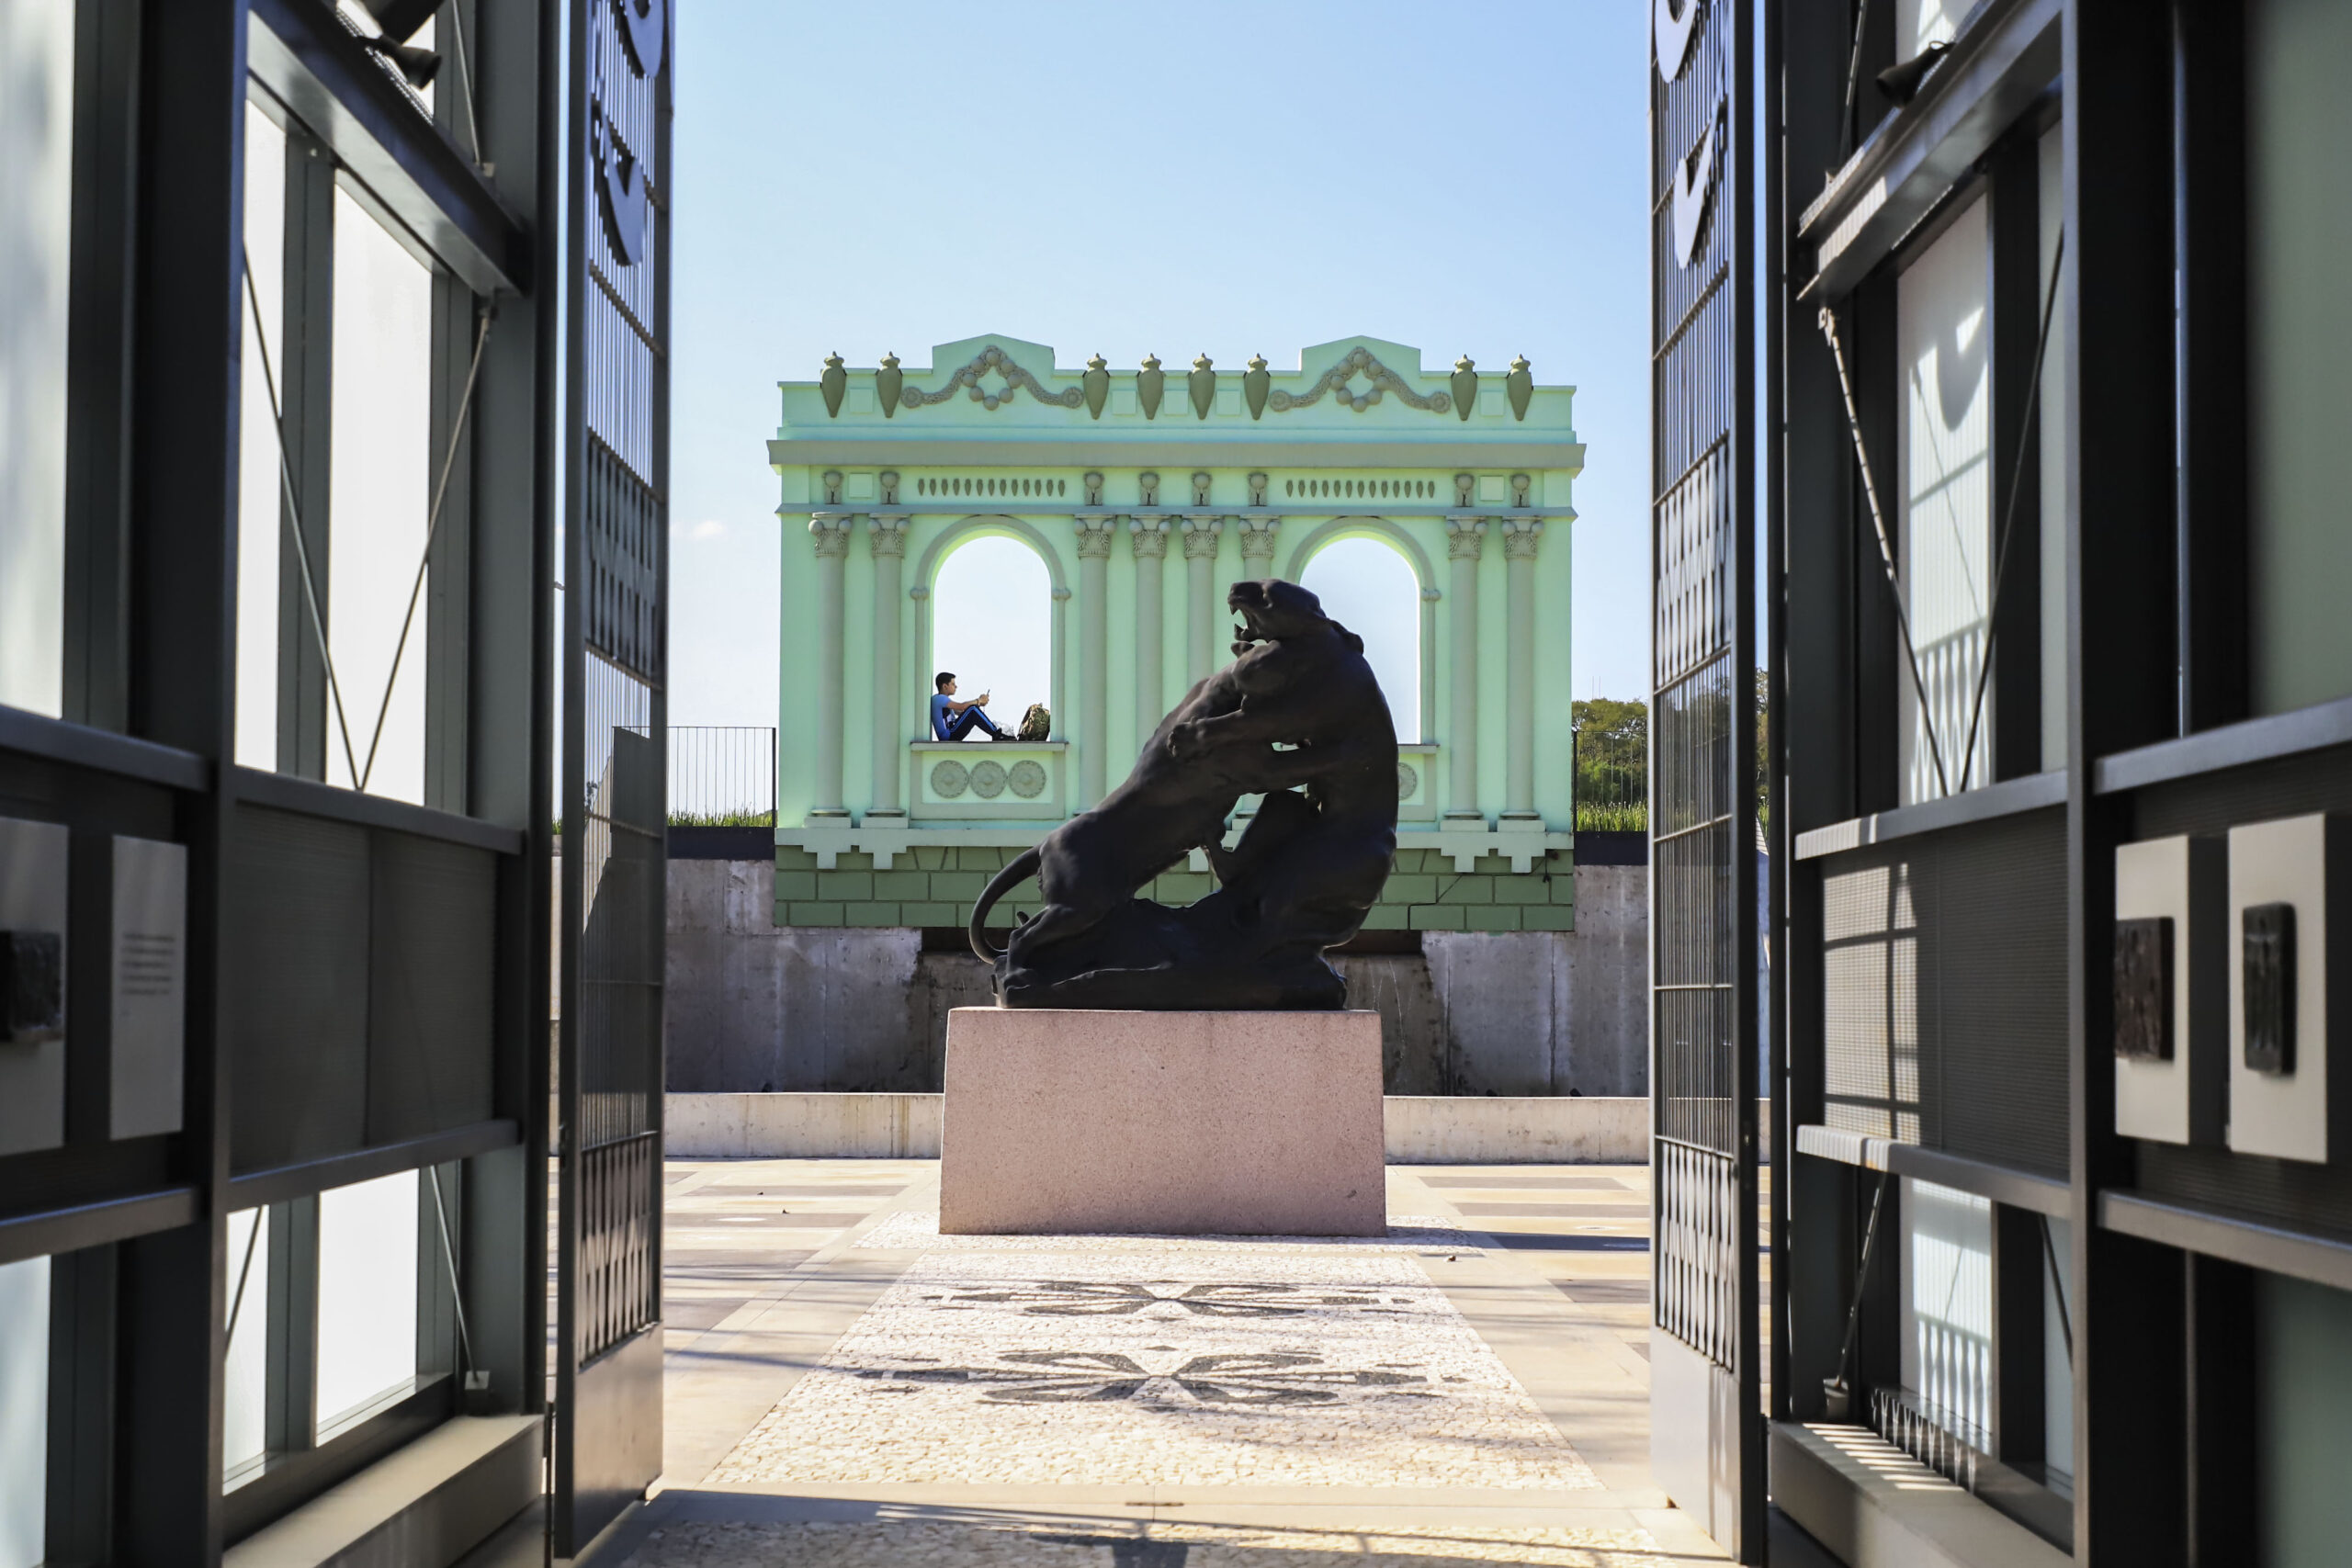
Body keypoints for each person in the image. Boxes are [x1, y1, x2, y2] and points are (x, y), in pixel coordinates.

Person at [929, 671, 1014, 742]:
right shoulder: (939, 699)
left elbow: (963, 713)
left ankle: (996, 733)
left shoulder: (943, 701)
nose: (956, 686)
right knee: (973, 710)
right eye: (953, 684)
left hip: (951, 732)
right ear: (945, 686)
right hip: (949, 735)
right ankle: (996, 734)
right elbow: (962, 707)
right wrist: (979, 700)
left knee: (973, 710)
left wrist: (979, 704)